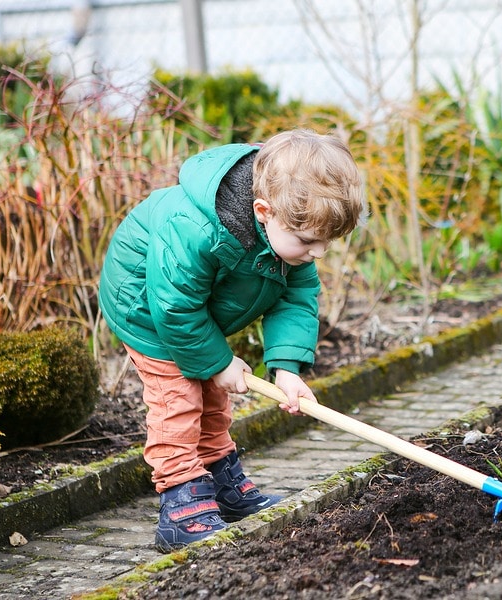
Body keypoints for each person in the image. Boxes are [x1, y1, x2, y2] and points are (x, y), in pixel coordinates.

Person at [98, 129, 366, 552]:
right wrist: (220, 362)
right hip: (147, 307)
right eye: (309, 243)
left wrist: (285, 368)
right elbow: (174, 307)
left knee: (213, 393)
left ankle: (219, 479)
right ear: (264, 211)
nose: (317, 254)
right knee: (179, 397)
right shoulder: (197, 228)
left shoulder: (289, 234)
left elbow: (294, 299)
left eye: (326, 243)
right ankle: (180, 502)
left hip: (193, 310)